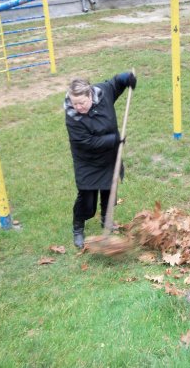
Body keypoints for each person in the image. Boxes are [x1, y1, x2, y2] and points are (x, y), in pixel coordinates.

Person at [64, 71, 137, 248]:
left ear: (90, 95)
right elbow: (86, 142)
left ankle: (107, 220)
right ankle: (78, 228)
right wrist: (114, 140)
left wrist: (125, 78)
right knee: (87, 198)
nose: (78, 107)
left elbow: (115, 83)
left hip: (109, 156)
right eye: (75, 103)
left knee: (108, 189)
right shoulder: (72, 117)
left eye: (81, 103)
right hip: (87, 159)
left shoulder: (103, 92)